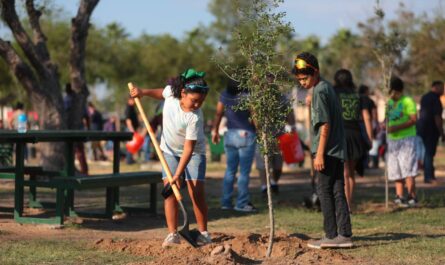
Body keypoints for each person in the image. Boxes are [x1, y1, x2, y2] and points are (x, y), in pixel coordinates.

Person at [129, 68, 211, 248]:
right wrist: (143, 92)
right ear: (183, 93)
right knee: (170, 191)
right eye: (194, 100)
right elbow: (160, 92)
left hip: (194, 153)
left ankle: (204, 233)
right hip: (170, 151)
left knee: (195, 192)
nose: (197, 105)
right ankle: (172, 233)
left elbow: (189, 149)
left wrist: (178, 174)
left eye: (201, 102)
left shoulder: (195, 117)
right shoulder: (171, 95)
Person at [293, 52, 352, 249]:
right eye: (299, 79)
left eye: (305, 78)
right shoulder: (326, 87)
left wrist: (319, 153)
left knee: (324, 192)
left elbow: (324, 124)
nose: (302, 83)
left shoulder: (319, 91)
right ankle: (344, 235)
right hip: (336, 149)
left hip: (326, 151)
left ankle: (330, 234)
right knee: (337, 191)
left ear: (315, 72)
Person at [212, 79, 257, 213]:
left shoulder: (224, 94)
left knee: (230, 170)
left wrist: (215, 130)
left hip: (230, 134)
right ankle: (242, 203)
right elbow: (254, 114)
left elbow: (219, 113)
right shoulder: (246, 95)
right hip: (246, 134)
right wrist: (259, 130)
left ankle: (226, 202)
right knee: (243, 172)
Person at [333, 69, 373, 212]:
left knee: (344, 172)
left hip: (339, 135)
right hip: (355, 136)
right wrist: (370, 137)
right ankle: (348, 204)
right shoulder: (358, 96)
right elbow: (367, 117)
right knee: (350, 172)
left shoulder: (333, 93)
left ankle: (344, 205)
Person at [386, 76, 418, 207]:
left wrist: (396, 127)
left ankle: (412, 196)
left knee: (408, 167)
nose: (391, 95)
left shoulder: (408, 101)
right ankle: (399, 196)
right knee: (395, 168)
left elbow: (413, 119)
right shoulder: (389, 103)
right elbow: (388, 119)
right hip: (392, 140)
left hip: (407, 139)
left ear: (399, 90)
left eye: (393, 92)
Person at [417, 80, 444, 184]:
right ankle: (428, 176)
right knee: (429, 153)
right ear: (435, 87)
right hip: (431, 129)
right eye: (442, 88)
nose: (443, 90)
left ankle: (429, 175)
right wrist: (441, 132)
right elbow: (437, 117)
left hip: (422, 128)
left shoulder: (425, 97)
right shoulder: (435, 99)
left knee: (427, 153)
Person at [64, 83, 89, 175]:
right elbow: (87, 116)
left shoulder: (65, 100)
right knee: (80, 151)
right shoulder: (79, 101)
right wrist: (88, 128)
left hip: (68, 130)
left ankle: (72, 170)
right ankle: (84, 170)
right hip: (79, 129)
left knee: (72, 151)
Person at [358, 85, 379, 169]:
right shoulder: (369, 100)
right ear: (366, 91)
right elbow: (374, 114)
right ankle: (367, 163)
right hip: (367, 123)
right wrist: (375, 123)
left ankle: (361, 164)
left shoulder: (355, 98)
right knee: (369, 143)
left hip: (357, 124)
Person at [124, 97, 140, 164]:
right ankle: (129, 160)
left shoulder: (132, 107)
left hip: (133, 129)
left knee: (133, 145)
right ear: (130, 100)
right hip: (130, 129)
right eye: (133, 100)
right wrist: (132, 130)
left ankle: (131, 159)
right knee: (130, 145)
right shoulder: (129, 108)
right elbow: (128, 120)